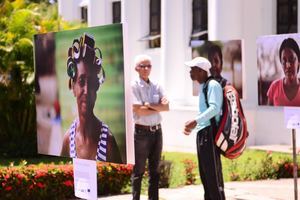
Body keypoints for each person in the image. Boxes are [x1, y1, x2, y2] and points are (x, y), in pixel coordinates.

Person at [60, 33, 123, 163]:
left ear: (97, 87)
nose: (87, 91)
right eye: (81, 81)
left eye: (92, 83)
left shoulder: (108, 141)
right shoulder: (68, 140)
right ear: (73, 87)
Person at [184, 57, 225, 200]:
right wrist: (194, 125)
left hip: (210, 134)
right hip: (203, 134)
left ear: (201, 71)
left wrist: (196, 121)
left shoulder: (212, 85)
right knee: (206, 177)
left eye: (192, 69)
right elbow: (205, 110)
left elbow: (214, 108)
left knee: (213, 178)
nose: (190, 72)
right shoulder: (204, 86)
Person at [131, 54, 169, 200]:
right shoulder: (133, 86)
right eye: (143, 66)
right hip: (142, 133)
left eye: (149, 66)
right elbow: (139, 110)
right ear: (136, 68)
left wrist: (148, 105)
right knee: (138, 171)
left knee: (155, 171)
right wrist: (157, 106)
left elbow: (166, 107)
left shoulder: (157, 85)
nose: (146, 69)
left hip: (157, 131)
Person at [267, 37, 300, 106]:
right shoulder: (274, 87)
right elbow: (268, 114)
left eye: (292, 60)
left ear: (298, 61)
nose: (288, 65)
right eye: (284, 61)